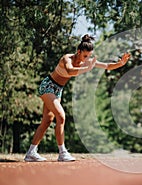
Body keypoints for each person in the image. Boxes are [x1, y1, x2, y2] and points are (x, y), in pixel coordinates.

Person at [24, 34, 130, 162]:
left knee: (47, 121)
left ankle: (31, 152)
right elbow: (70, 71)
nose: (87, 58)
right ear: (78, 51)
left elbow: (107, 66)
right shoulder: (66, 58)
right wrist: (87, 68)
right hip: (48, 86)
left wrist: (120, 64)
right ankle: (62, 153)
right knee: (61, 116)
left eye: (89, 56)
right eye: (85, 56)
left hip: (58, 90)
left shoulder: (85, 61)